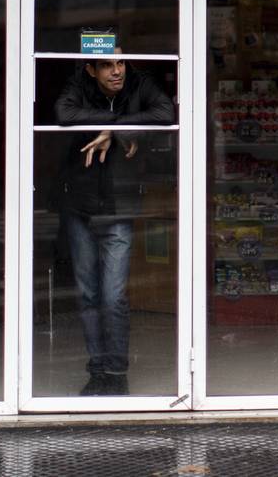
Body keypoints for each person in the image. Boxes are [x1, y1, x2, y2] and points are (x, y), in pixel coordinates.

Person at [55, 52, 174, 396]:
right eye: (107, 65)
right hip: (79, 206)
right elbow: (63, 113)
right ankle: (97, 371)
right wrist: (115, 125)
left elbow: (166, 112)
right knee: (90, 294)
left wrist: (114, 129)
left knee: (114, 295)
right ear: (91, 69)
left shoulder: (139, 82)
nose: (117, 70)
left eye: (120, 63)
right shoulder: (79, 84)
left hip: (119, 207)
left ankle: (117, 373)